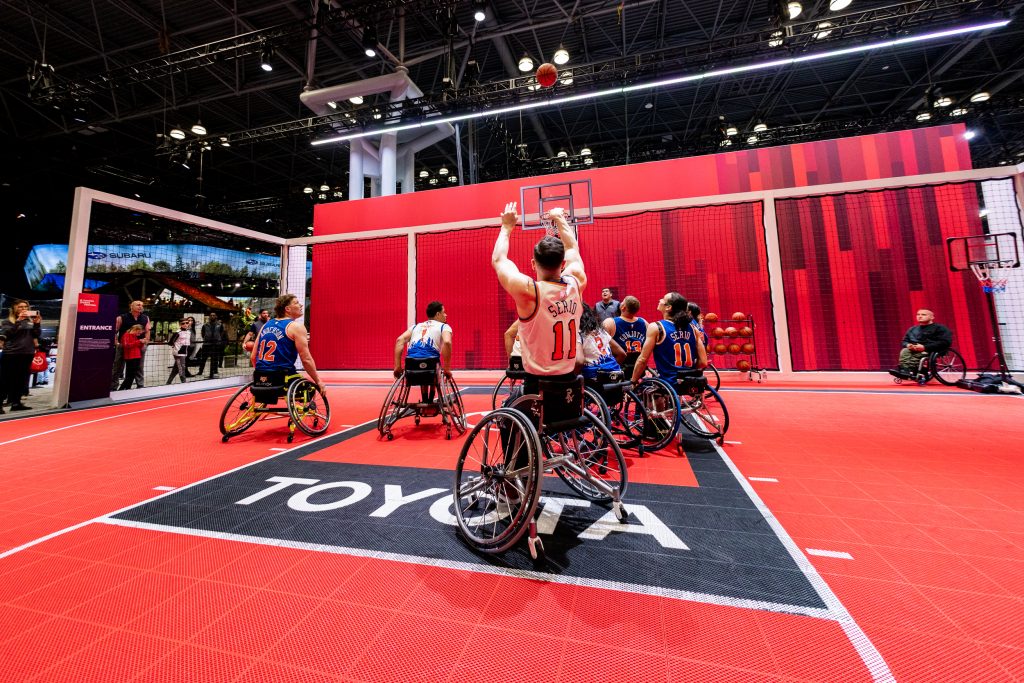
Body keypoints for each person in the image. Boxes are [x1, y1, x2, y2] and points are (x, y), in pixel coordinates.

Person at [492, 201, 586, 395]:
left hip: (537, 384)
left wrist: (506, 227)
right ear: (563, 263)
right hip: (570, 378)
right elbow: (573, 250)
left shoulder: (529, 292)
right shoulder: (576, 282)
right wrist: (559, 218)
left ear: (533, 264)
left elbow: (499, 260)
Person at [250, 293, 325, 395]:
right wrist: (318, 381)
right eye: (297, 303)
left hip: (259, 376)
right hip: (282, 377)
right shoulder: (296, 327)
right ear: (287, 309)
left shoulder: (266, 325)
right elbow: (306, 359)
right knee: (309, 390)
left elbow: (253, 357)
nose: (301, 305)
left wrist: (262, 373)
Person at [630, 292, 707, 386]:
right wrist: (689, 373)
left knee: (644, 390)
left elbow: (642, 359)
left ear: (668, 307)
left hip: (669, 380)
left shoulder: (656, 327)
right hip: (690, 379)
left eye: (663, 299)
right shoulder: (693, 328)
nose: (660, 300)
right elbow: (703, 362)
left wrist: (633, 381)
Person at [393, 301, 452, 403]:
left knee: (422, 366)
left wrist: (397, 366)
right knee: (433, 366)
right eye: (444, 312)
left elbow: (399, 340)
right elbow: (447, 342)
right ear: (438, 314)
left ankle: (425, 398)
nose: (446, 315)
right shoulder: (444, 326)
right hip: (431, 366)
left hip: (411, 365)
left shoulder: (415, 327)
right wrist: (447, 369)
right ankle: (430, 398)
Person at [0, 299, 41, 412]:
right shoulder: (8, 321)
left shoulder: (29, 321)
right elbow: (8, 333)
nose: (23, 309)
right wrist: (18, 321)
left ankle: (16, 403)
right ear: (14, 308)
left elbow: (36, 335)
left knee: (21, 380)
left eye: (25, 307)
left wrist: (37, 324)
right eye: (20, 307)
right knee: (5, 380)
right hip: (11, 354)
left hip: (27, 353)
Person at [891, 309, 953, 378]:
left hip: (931, 349)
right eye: (918, 314)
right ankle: (904, 370)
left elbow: (945, 342)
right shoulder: (912, 329)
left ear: (932, 317)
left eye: (923, 315)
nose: (920, 316)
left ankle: (912, 370)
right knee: (905, 351)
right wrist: (908, 345)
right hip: (915, 348)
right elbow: (904, 341)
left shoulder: (940, 328)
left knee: (918, 355)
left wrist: (924, 347)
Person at [110, 300, 151, 390]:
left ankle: (140, 385)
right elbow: (114, 331)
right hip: (123, 346)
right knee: (118, 367)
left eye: (142, 305)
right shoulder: (121, 317)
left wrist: (146, 343)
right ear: (131, 306)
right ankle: (113, 387)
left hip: (139, 346)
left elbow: (148, 331)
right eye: (138, 305)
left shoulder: (145, 318)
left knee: (139, 367)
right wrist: (116, 343)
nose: (140, 306)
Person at [603, 295, 647, 375]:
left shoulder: (610, 323)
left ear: (623, 307)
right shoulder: (644, 322)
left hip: (618, 368)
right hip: (638, 368)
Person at [580, 304, 626, 380]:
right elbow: (622, 354)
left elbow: (579, 362)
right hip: (616, 373)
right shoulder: (601, 331)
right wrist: (610, 369)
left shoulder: (578, 335)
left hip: (594, 377)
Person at [198, 312, 226, 379]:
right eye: (211, 315)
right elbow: (203, 333)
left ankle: (215, 371)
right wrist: (207, 338)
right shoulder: (205, 325)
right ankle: (200, 371)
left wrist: (218, 338)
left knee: (215, 359)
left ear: (216, 316)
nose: (212, 316)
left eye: (214, 315)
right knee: (203, 358)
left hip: (216, 344)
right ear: (209, 317)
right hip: (207, 344)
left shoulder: (220, 325)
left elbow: (222, 333)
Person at [166, 318, 193, 384]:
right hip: (178, 352)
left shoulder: (189, 332)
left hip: (185, 351)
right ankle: (183, 382)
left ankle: (168, 382)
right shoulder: (178, 332)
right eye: (183, 323)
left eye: (186, 323)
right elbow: (170, 342)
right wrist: (176, 346)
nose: (185, 324)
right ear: (180, 324)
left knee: (176, 369)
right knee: (182, 367)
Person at [119, 325, 145, 391]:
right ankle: (121, 389)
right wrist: (139, 341)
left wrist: (142, 342)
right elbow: (127, 345)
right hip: (130, 357)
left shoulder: (135, 337)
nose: (139, 334)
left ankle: (127, 388)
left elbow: (138, 346)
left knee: (132, 375)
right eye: (139, 333)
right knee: (129, 375)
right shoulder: (126, 335)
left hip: (137, 356)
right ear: (136, 330)